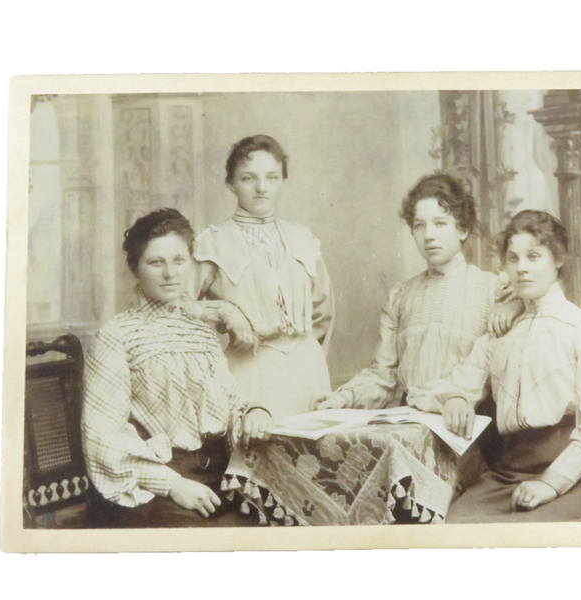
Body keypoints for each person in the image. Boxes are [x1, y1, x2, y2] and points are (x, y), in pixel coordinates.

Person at [412, 209, 581, 522]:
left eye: (533, 256)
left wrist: (551, 483)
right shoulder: (499, 334)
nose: (521, 268)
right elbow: (442, 388)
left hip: (570, 478)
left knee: (523, 533)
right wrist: (454, 398)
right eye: (513, 259)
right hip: (506, 477)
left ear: (558, 260)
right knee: (453, 525)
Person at [82, 208, 272, 528]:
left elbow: (230, 400)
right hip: (155, 485)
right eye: (156, 262)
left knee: (278, 520)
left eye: (179, 261)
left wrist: (254, 412)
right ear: (136, 269)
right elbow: (103, 436)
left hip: (217, 476)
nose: (170, 273)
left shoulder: (201, 331)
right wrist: (173, 485)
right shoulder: (117, 334)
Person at [313, 173, 498, 416]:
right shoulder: (401, 295)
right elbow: (383, 376)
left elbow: (483, 374)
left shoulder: (491, 290)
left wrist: (450, 400)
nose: (429, 235)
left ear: (462, 229)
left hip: (467, 425)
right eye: (419, 225)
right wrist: (345, 398)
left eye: (440, 223)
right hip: (411, 423)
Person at [190, 135, 334, 420]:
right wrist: (226, 312)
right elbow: (179, 307)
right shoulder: (211, 243)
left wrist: (304, 355)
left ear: (282, 181)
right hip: (247, 373)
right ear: (231, 183)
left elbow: (323, 312)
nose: (261, 188)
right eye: (248, 178)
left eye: (272, 177)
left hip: (306, 373)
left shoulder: (303, 238)